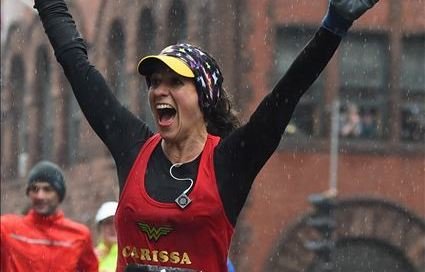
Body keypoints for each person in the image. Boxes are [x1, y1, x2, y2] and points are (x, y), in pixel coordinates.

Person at [33, 0, 380, 271]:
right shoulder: (133, 148)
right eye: (154, 82)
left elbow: (287, 93)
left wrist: (333, 26)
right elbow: (77, 68)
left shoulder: (229, 162)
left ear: (204, 96)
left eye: (174, 83)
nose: (158, 91)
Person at [0, 160, 98, 271]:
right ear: (28, 193)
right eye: (34, 189)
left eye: (47, 189)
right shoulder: (6, 228)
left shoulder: (80, 235)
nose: (40, 196)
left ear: (59, 194)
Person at [95, 201, 119, 272]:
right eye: (108, 223)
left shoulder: (132, 256)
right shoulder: (92, 257)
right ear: (100, 228)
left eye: (116, 222)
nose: (113, 227)